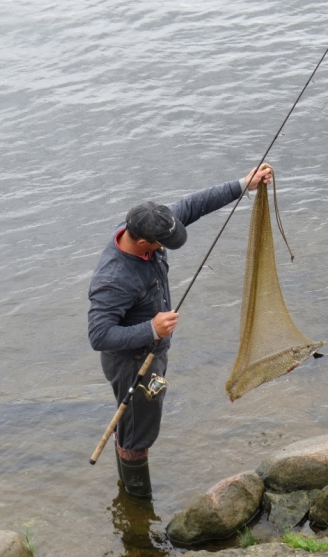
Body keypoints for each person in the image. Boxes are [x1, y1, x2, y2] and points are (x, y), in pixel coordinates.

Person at [88, 164, 273, 497]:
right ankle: (137, 501)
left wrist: (244, 184)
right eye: (162, 244)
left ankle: (127, 489)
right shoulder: (113, 279)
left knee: (136, 426)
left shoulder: (147, 222)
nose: (164, 246)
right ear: (143, 241)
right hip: (132, 365)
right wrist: (151, 328)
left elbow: (193, 205)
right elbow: (99, 336)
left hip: (153, 355)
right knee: (136, 437)